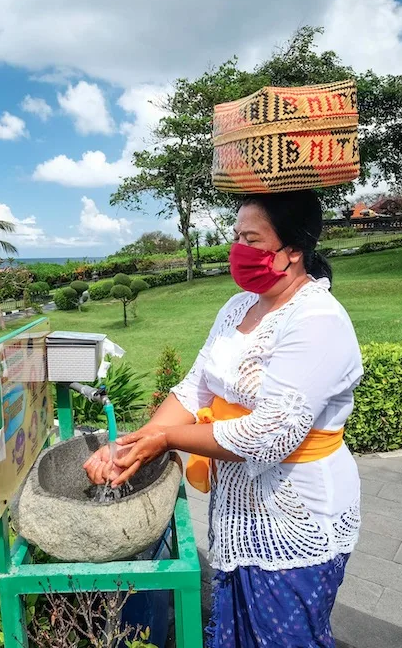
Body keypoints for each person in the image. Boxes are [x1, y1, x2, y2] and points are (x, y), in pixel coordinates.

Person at [85, 190, 364, 647]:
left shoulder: (318, 320)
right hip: (238, 512)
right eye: (236, 235)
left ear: (293, 250)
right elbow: (195, 387)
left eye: (251, 238)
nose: (237, 248)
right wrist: (131, 445)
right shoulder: (239, 307)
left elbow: (269, 434)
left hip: (296, 517)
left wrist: (169, 439)